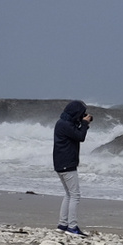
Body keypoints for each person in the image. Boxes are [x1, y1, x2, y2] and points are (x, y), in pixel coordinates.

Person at [52, 100, 91, 236]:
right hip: (67, 163)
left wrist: (82, 122)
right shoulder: (65, 125)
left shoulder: (62, 123)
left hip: (60, 163)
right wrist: (85, 123)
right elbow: (80, 136)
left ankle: (63, 224)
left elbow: (75, 132)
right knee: (75, 195)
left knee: (69, 194)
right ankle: (72, 227)